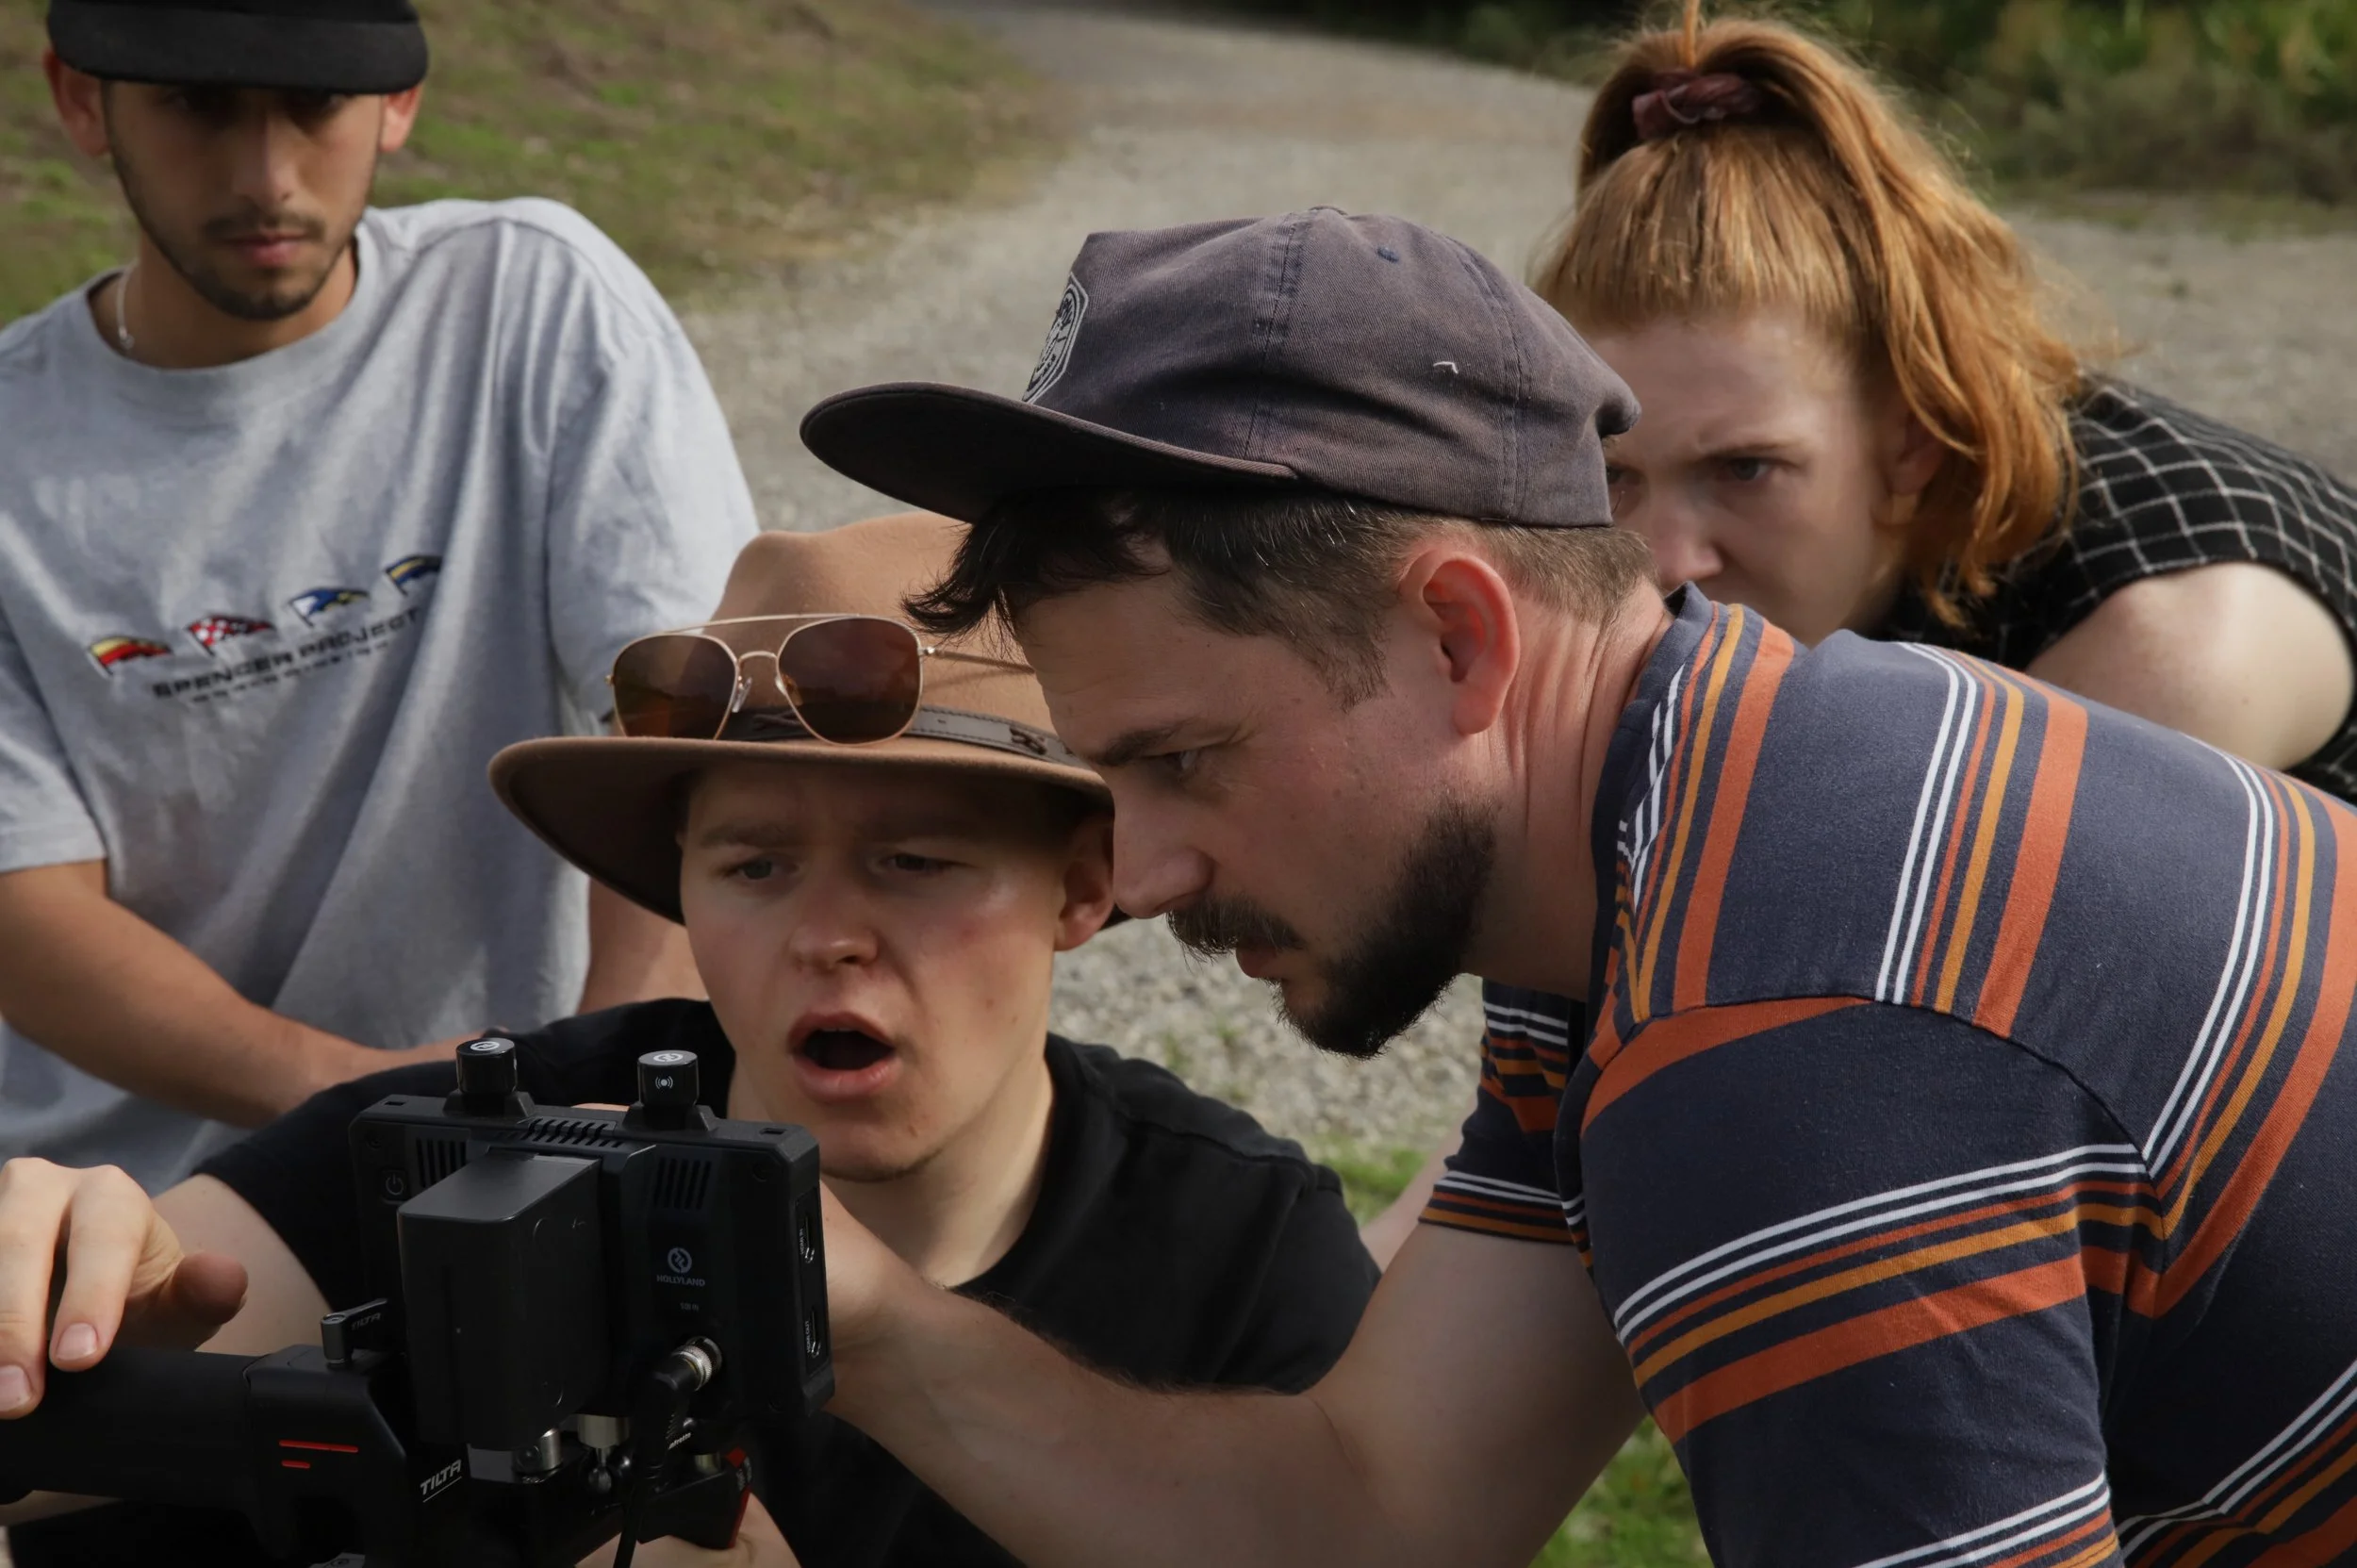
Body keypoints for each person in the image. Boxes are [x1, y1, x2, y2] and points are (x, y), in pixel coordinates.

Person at [787, 210, 2357, 1562]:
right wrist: (860, 1313)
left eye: (1186, 759)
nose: (1131, 876)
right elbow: (1379, 1513)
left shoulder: (1779, 1030)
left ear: (1464, 639)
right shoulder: (1687, 833)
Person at [0, 514, 1379, 1568]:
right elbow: (131, 1345)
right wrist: (63, 1290)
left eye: (911, 857)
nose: (825, 933)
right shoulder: (501, 1148)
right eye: (752, 864)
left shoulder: (1243, 1259)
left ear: (1086, 883)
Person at [0, 0, 755, 1190]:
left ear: (398, 102)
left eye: (314, 106)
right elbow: (25, 917)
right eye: (198, 107)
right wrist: (400, 1105)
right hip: (132, 1204)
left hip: (537, 1148)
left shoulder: (534, 306)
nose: (266, 175)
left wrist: (611, 1105)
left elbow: (688, 734)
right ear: (82, 101)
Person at [1532, 2, 2357, 796]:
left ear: (1914, 438)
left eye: (1745, 468)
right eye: (1615, 476)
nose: (1665, 561)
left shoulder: (2158, 647)